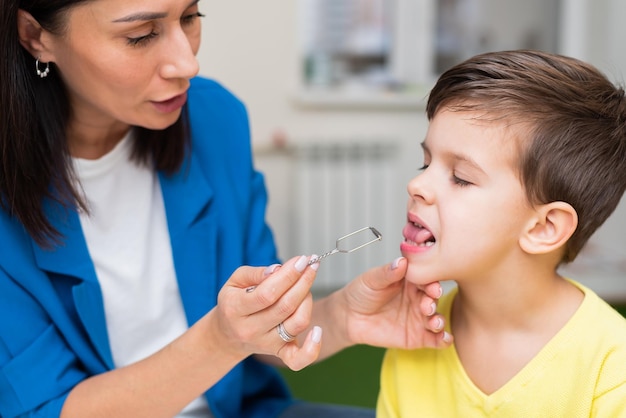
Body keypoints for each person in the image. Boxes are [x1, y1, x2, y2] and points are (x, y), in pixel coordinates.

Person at [0, 1, 453, 417]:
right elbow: (47, 408)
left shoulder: (215, 118)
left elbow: (258, 334)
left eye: (191, 17)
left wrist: (343, 317)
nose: (187, 64)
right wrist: (219, 340)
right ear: (36, 35)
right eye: (140, 35)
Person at [376, 49, 626, 417]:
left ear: (544, 227)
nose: (417, 184)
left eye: (461, 178)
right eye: (425, 163)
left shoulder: (611, 365)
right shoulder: (415, 333)